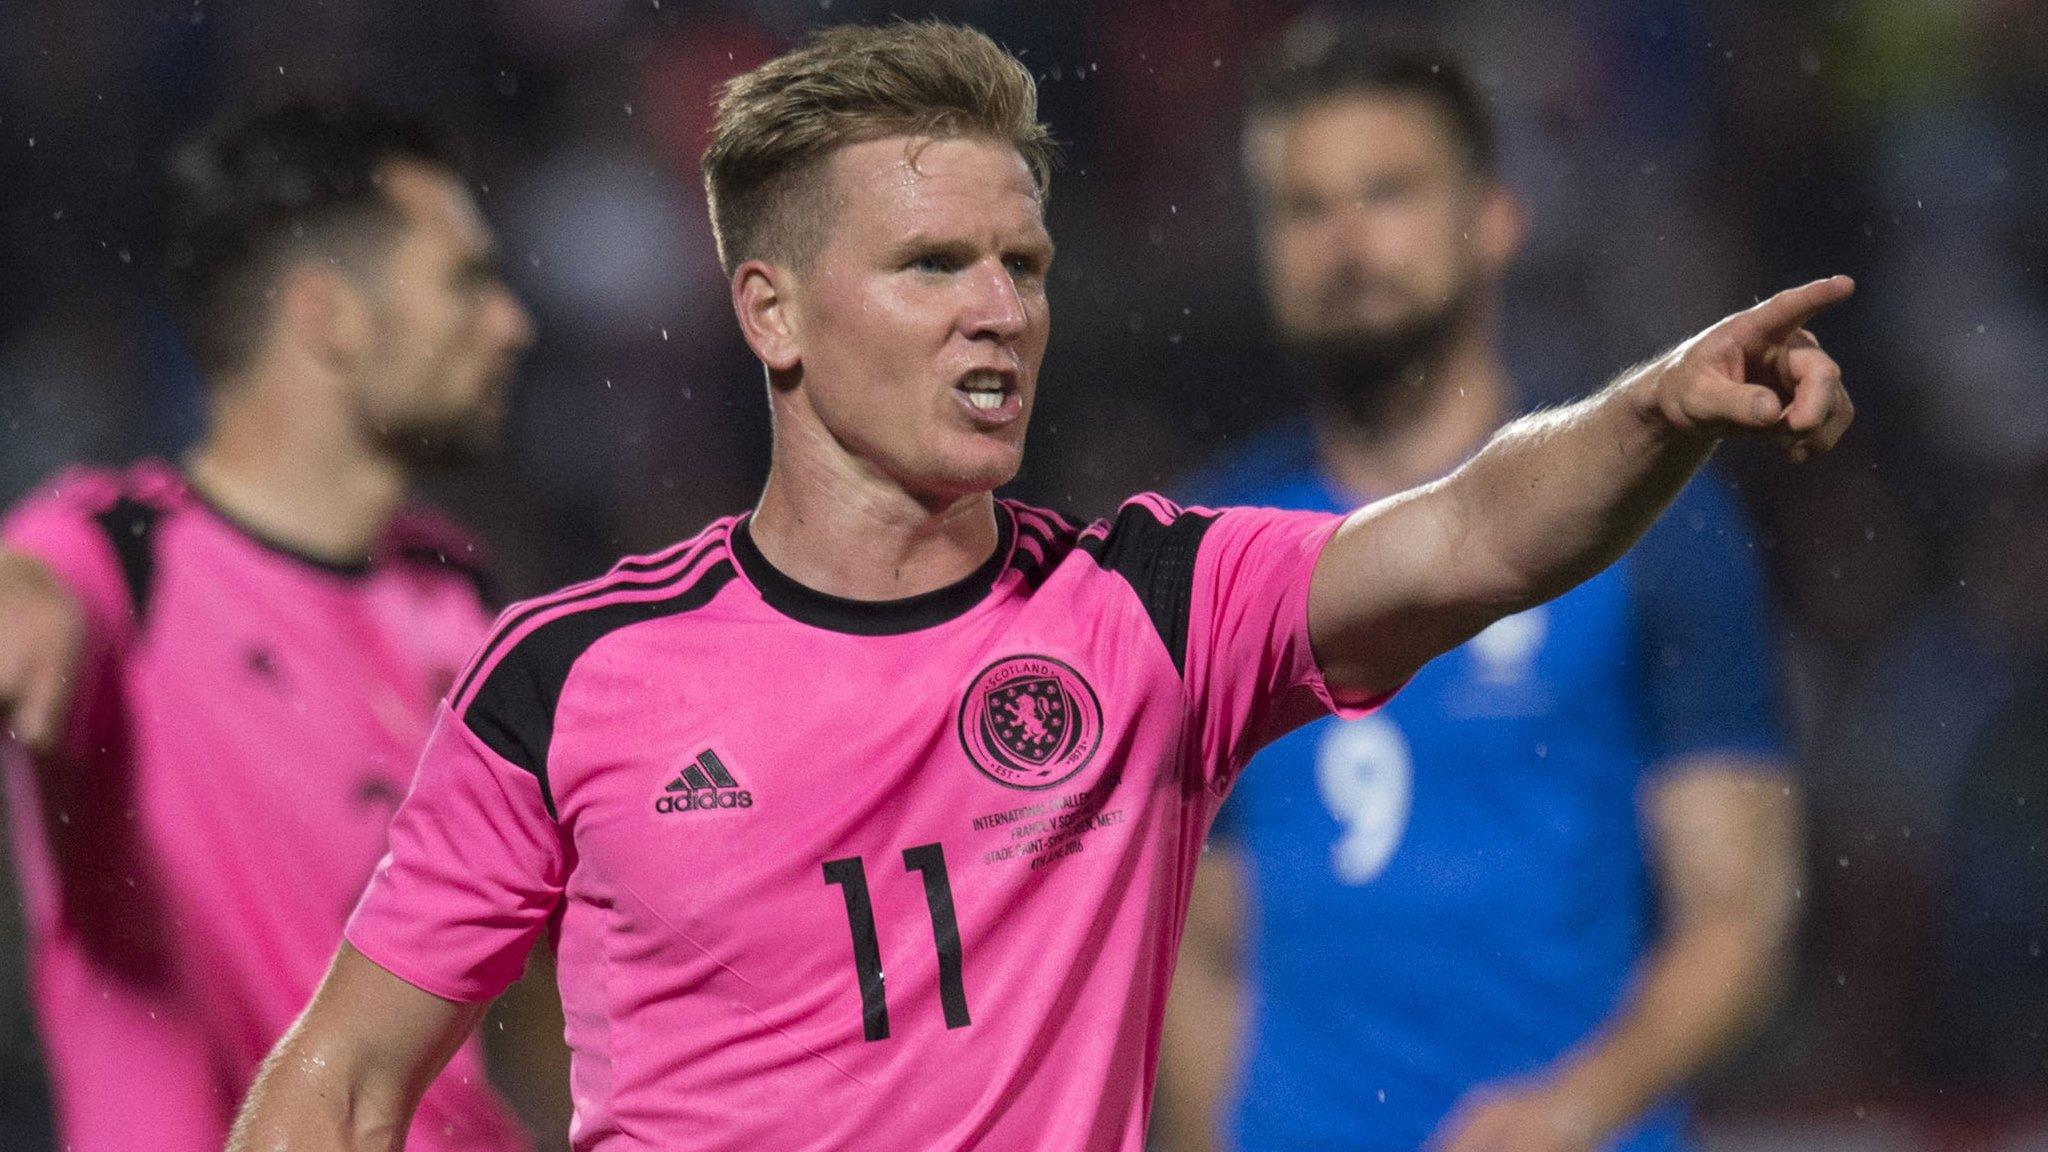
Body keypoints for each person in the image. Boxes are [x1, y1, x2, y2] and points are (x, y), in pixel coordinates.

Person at [224, 20, 1851, 1152]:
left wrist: (1647, 407)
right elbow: (341, 1088)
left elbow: (1477, 531)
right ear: (770, 312)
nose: (996, 309)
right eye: (933, 266)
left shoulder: (1151, 608)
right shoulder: (565, 678)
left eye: (1024, 265)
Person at [1153, 21, 1804, 1152]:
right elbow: (1190, 941)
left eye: (1387, 192)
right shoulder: (1204, 554)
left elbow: (1738, 914)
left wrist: (1571, 1111)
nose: (1346, 241)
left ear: (1494, 216)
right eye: (1304, 209)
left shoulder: (1647, 521)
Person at [0, 102, 537, 1150]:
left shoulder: (461, 594)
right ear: (327, 315)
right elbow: (30, 601)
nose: (510, 322)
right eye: (465, 280)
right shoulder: (118, 558)